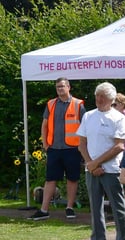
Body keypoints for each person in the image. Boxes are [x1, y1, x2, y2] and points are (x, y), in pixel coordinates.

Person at [76, 82, 125, 240]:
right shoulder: (88, 116)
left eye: (103, 96)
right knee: (95, 207)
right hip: (92, 170)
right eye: (98, 96)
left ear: (111, 99)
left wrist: (96, 163)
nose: (99, 99)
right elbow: (81, 143)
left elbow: (119, 146)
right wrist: (90, 164)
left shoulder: (118, 117)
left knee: (118, 208)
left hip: (112, 170)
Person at [29, 77, 85, 221]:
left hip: (72, 148)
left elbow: (85, 127)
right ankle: (44, 210)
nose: (59, 89)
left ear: (69, 87)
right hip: (54, 148)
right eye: (57, 87)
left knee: (72, 179)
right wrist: (45, 145)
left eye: (62, 86)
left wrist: (82, 146)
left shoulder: (78, 104)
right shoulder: (51, 104)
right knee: (50, 179)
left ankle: (70, 208)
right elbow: (44, 125)